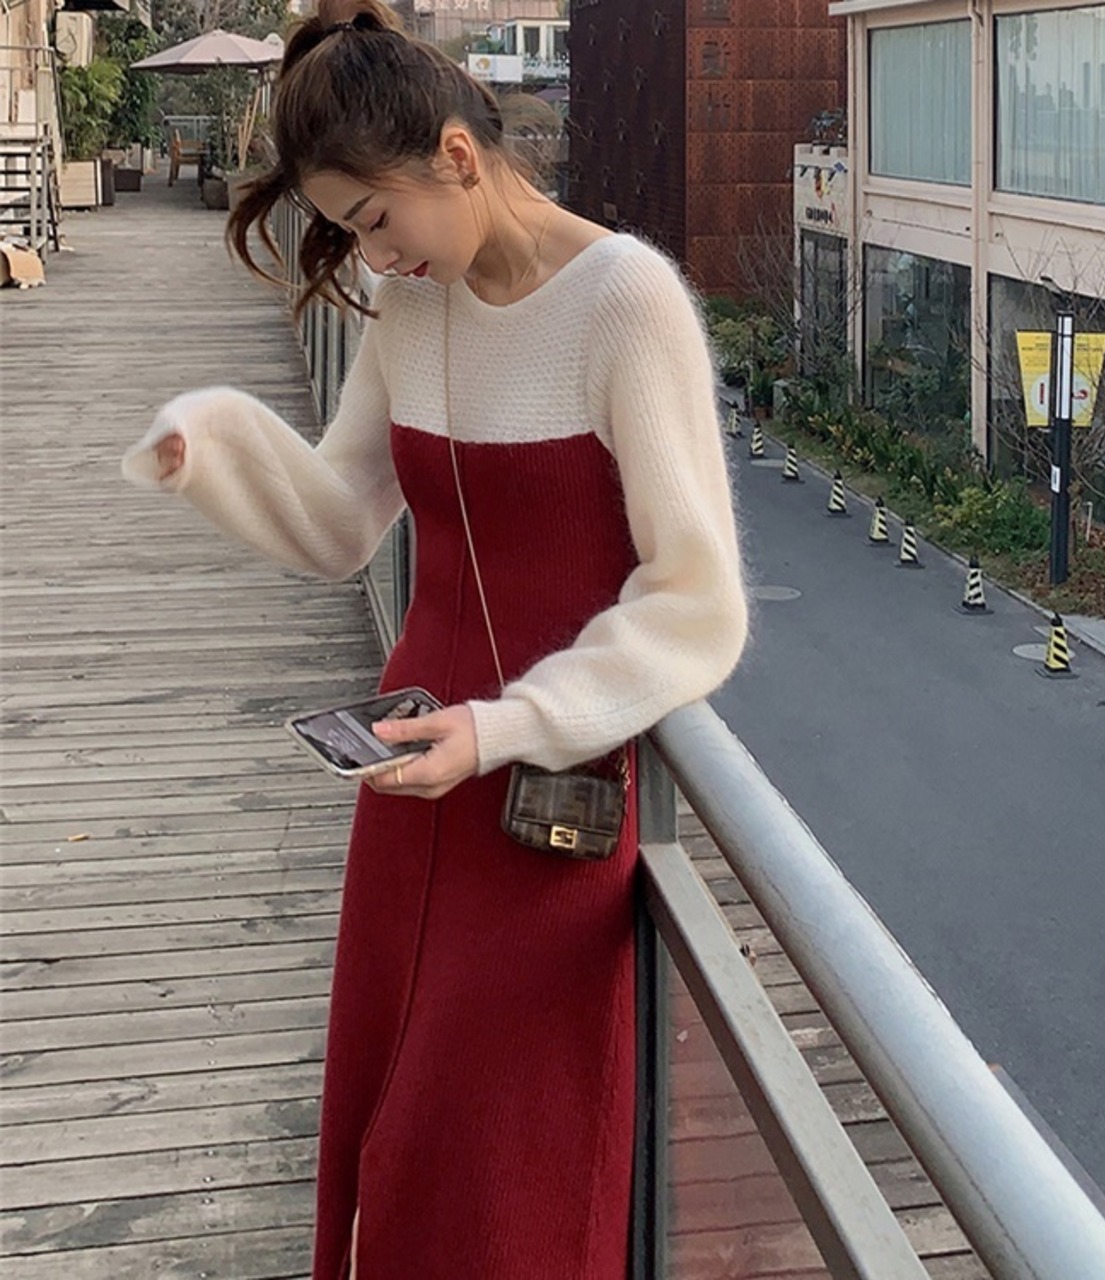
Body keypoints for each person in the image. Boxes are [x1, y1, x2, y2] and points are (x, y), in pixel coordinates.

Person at [121, 1, 748, 1275]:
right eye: (352, 233)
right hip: (412, 768)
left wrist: (504, 727)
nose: (374, 257)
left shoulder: (625, 301)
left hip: (542, 788)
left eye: (374, 220)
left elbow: (695, 602)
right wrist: (216, 439)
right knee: (390, 1125)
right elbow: (341, 520)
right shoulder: (413, 303)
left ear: (458, 156)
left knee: (500, 1158)